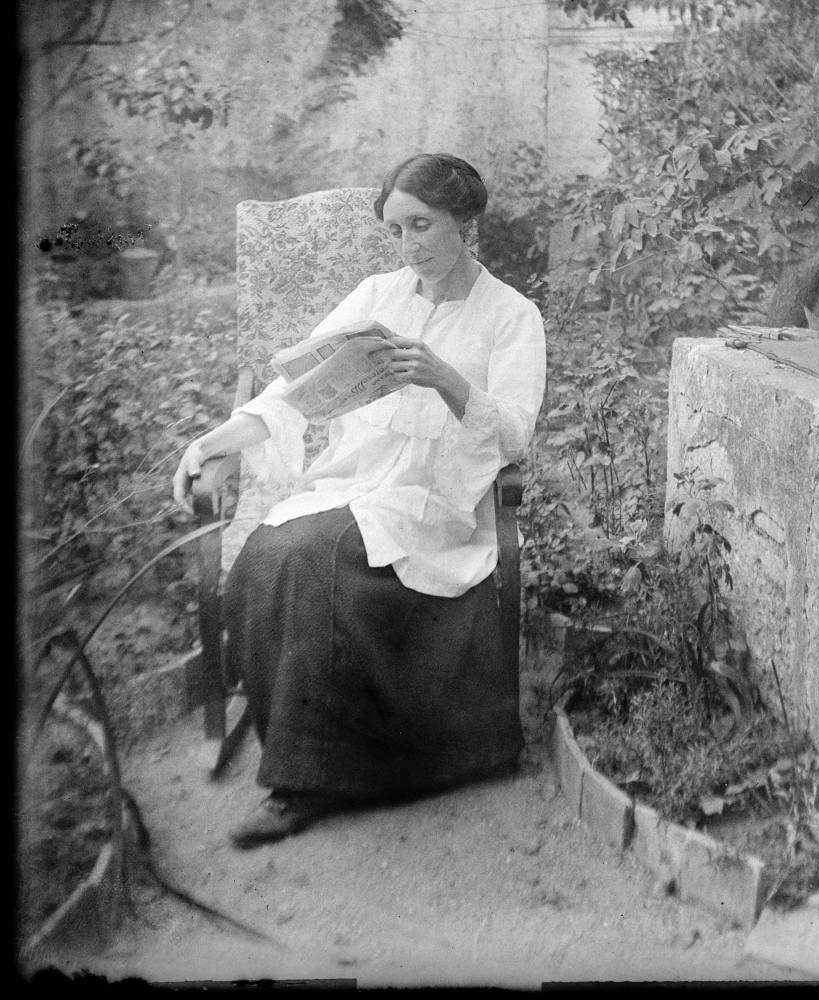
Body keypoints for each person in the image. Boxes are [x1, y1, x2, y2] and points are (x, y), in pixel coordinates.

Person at [172, 153, 547, 848]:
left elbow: (517, 434)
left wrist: (446, 380)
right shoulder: (379, 294)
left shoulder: (511, 316)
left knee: (310, 557)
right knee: (266, 552)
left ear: (466, 222)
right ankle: (306, 750)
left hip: (435, 502)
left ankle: (299, 786)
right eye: (396, 231)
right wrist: (216, 440)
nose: (409, 246)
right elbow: (293, 389)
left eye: (422, 225)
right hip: (356, 484)